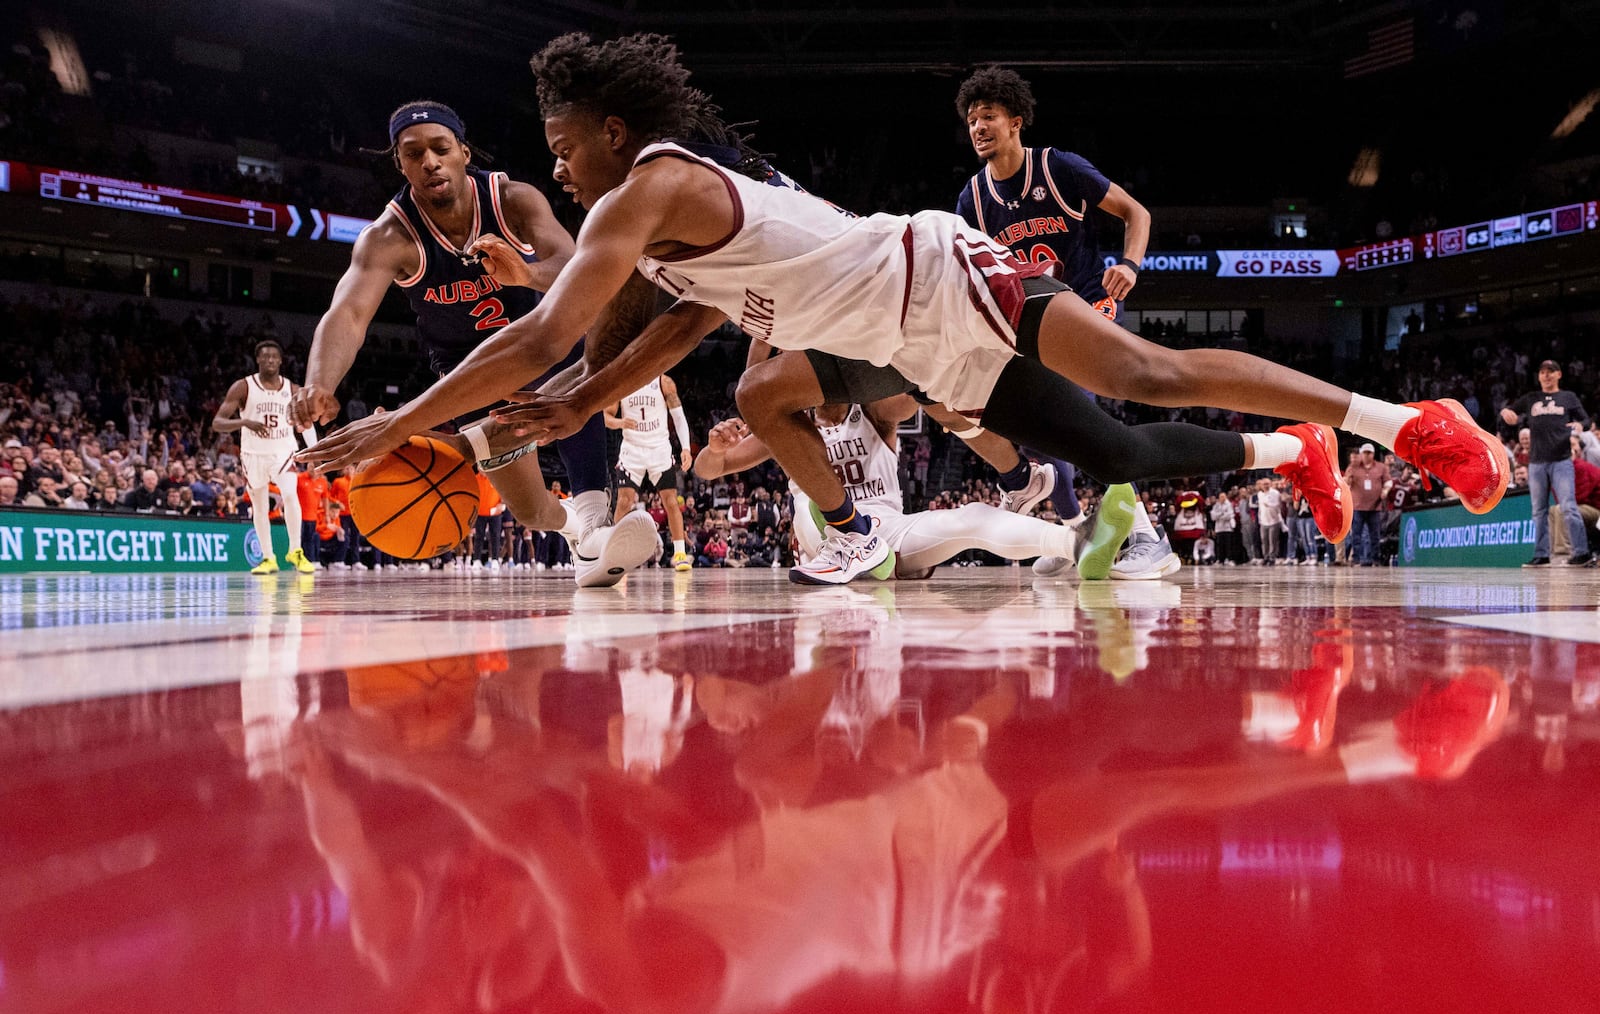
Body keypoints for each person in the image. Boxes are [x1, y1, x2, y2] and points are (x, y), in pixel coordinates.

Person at [299, 32, 1509, 589]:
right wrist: (545, 411)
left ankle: (1403, 419)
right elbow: (659, 336)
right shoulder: (657, 235)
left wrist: (397, 423)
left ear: (610, 131)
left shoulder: (650, 181)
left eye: (563, 147)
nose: (556, 168)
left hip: (938, 273)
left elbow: (549, 327)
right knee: (1119, 446)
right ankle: (1291, 448)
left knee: (1146, 370)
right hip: (908, 339)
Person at [291, 100, 656, 588]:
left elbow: (578, 270)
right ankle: (577, 530)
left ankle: (595, 521)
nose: (430, 162)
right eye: (413, 153)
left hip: (542, 340)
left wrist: (526, 272)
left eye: (441, 149)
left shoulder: (514, 200)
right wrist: (320, 382)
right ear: (399, 163)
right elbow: (348, 313)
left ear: (463, 152)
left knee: (573, 352)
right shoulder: (389, 236)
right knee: (529, 510)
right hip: (471, 371)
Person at [954, 65, 1180, 581]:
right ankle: (1076, 527)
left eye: (987, 116)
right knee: (1039, 432)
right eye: (970, 121)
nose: (978, 128)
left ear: (1016, 120)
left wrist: (1130, 264)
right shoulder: (972, 199)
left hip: (1088, 306)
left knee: (1080, 420)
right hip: (1030, 323)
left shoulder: (1059, 168)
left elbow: (1136, 213)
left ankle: (1148, 537)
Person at [692, 398, 1110, 582]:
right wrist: (714, 449)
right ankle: (848, 549)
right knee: (806, 505)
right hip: (826, 541)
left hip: (885, 531)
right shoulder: (788, 427)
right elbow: (708, 470)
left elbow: (915, 393)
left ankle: (1076, 543)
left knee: (970, 517)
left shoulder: (874, 412)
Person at [213, 340, 316, 574]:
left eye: (274, 357)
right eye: (265, 356)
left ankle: (295, 550)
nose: (270, 360)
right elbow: (217, 423)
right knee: (259, 506)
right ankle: (268, 557)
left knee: (290, 495)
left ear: (280, 361)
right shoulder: (243, 387)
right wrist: (244, 422)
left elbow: (307, 423)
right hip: (253, 454)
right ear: (258, 360)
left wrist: (314, 450)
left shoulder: (293, 389)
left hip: (283, 451)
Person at [1500, 360, 1594, 567]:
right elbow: (1511, 414)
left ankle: (1581, 553)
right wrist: (1508, 414)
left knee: (1568, 506)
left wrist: (1579, 424)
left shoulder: (1567, 397)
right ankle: (1541, 555)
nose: (1546, 375)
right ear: (1539, 376)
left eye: (1550, 372)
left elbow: (1586, 421)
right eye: (1542, 372)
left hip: (1561, 459)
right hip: (1537, 462)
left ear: (1559, 374)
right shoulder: (1531, 398)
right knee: (1538, 511)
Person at [607, 372, 694, 570]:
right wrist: (620, 423)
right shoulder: (622, 382)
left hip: (659, 449)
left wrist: (686, 448)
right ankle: (615, 555)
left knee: (671, 501)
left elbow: (679, 417)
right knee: (623, 502)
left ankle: (680, 554)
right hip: (632, 449)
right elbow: (605, 416)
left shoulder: (664, 382)